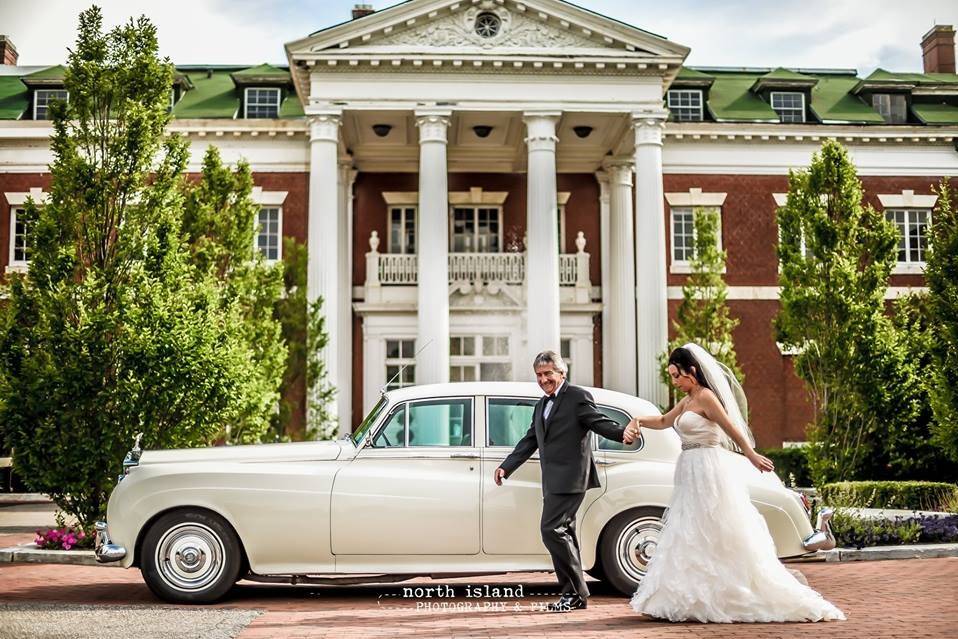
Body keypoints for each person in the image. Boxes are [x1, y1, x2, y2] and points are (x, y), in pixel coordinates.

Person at [625, 343, 845, 623]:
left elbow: (732, 429)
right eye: (671, 376)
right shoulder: (688, 399)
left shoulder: (706, 397)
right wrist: (637, 421)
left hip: (708, 468)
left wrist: (752, 455)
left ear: (691, 371)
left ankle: (731, 592)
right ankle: (689, 594)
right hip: (688, 469)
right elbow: (665, 420)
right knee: (689, 529)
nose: (674, 381)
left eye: (677, 375)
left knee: (716, 527)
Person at [494, 350, 634, 612]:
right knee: (564, 532)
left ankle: (575, 592)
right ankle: (576, 595)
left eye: (548, 373)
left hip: (571, 478)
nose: (543, 379)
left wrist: (622, 433)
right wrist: (507, 466)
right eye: (539, 375)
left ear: (562, 372)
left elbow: (598, 422)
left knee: (551, 530)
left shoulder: (577, 397)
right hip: (553, 480)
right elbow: (530, 440)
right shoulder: (541, 404)